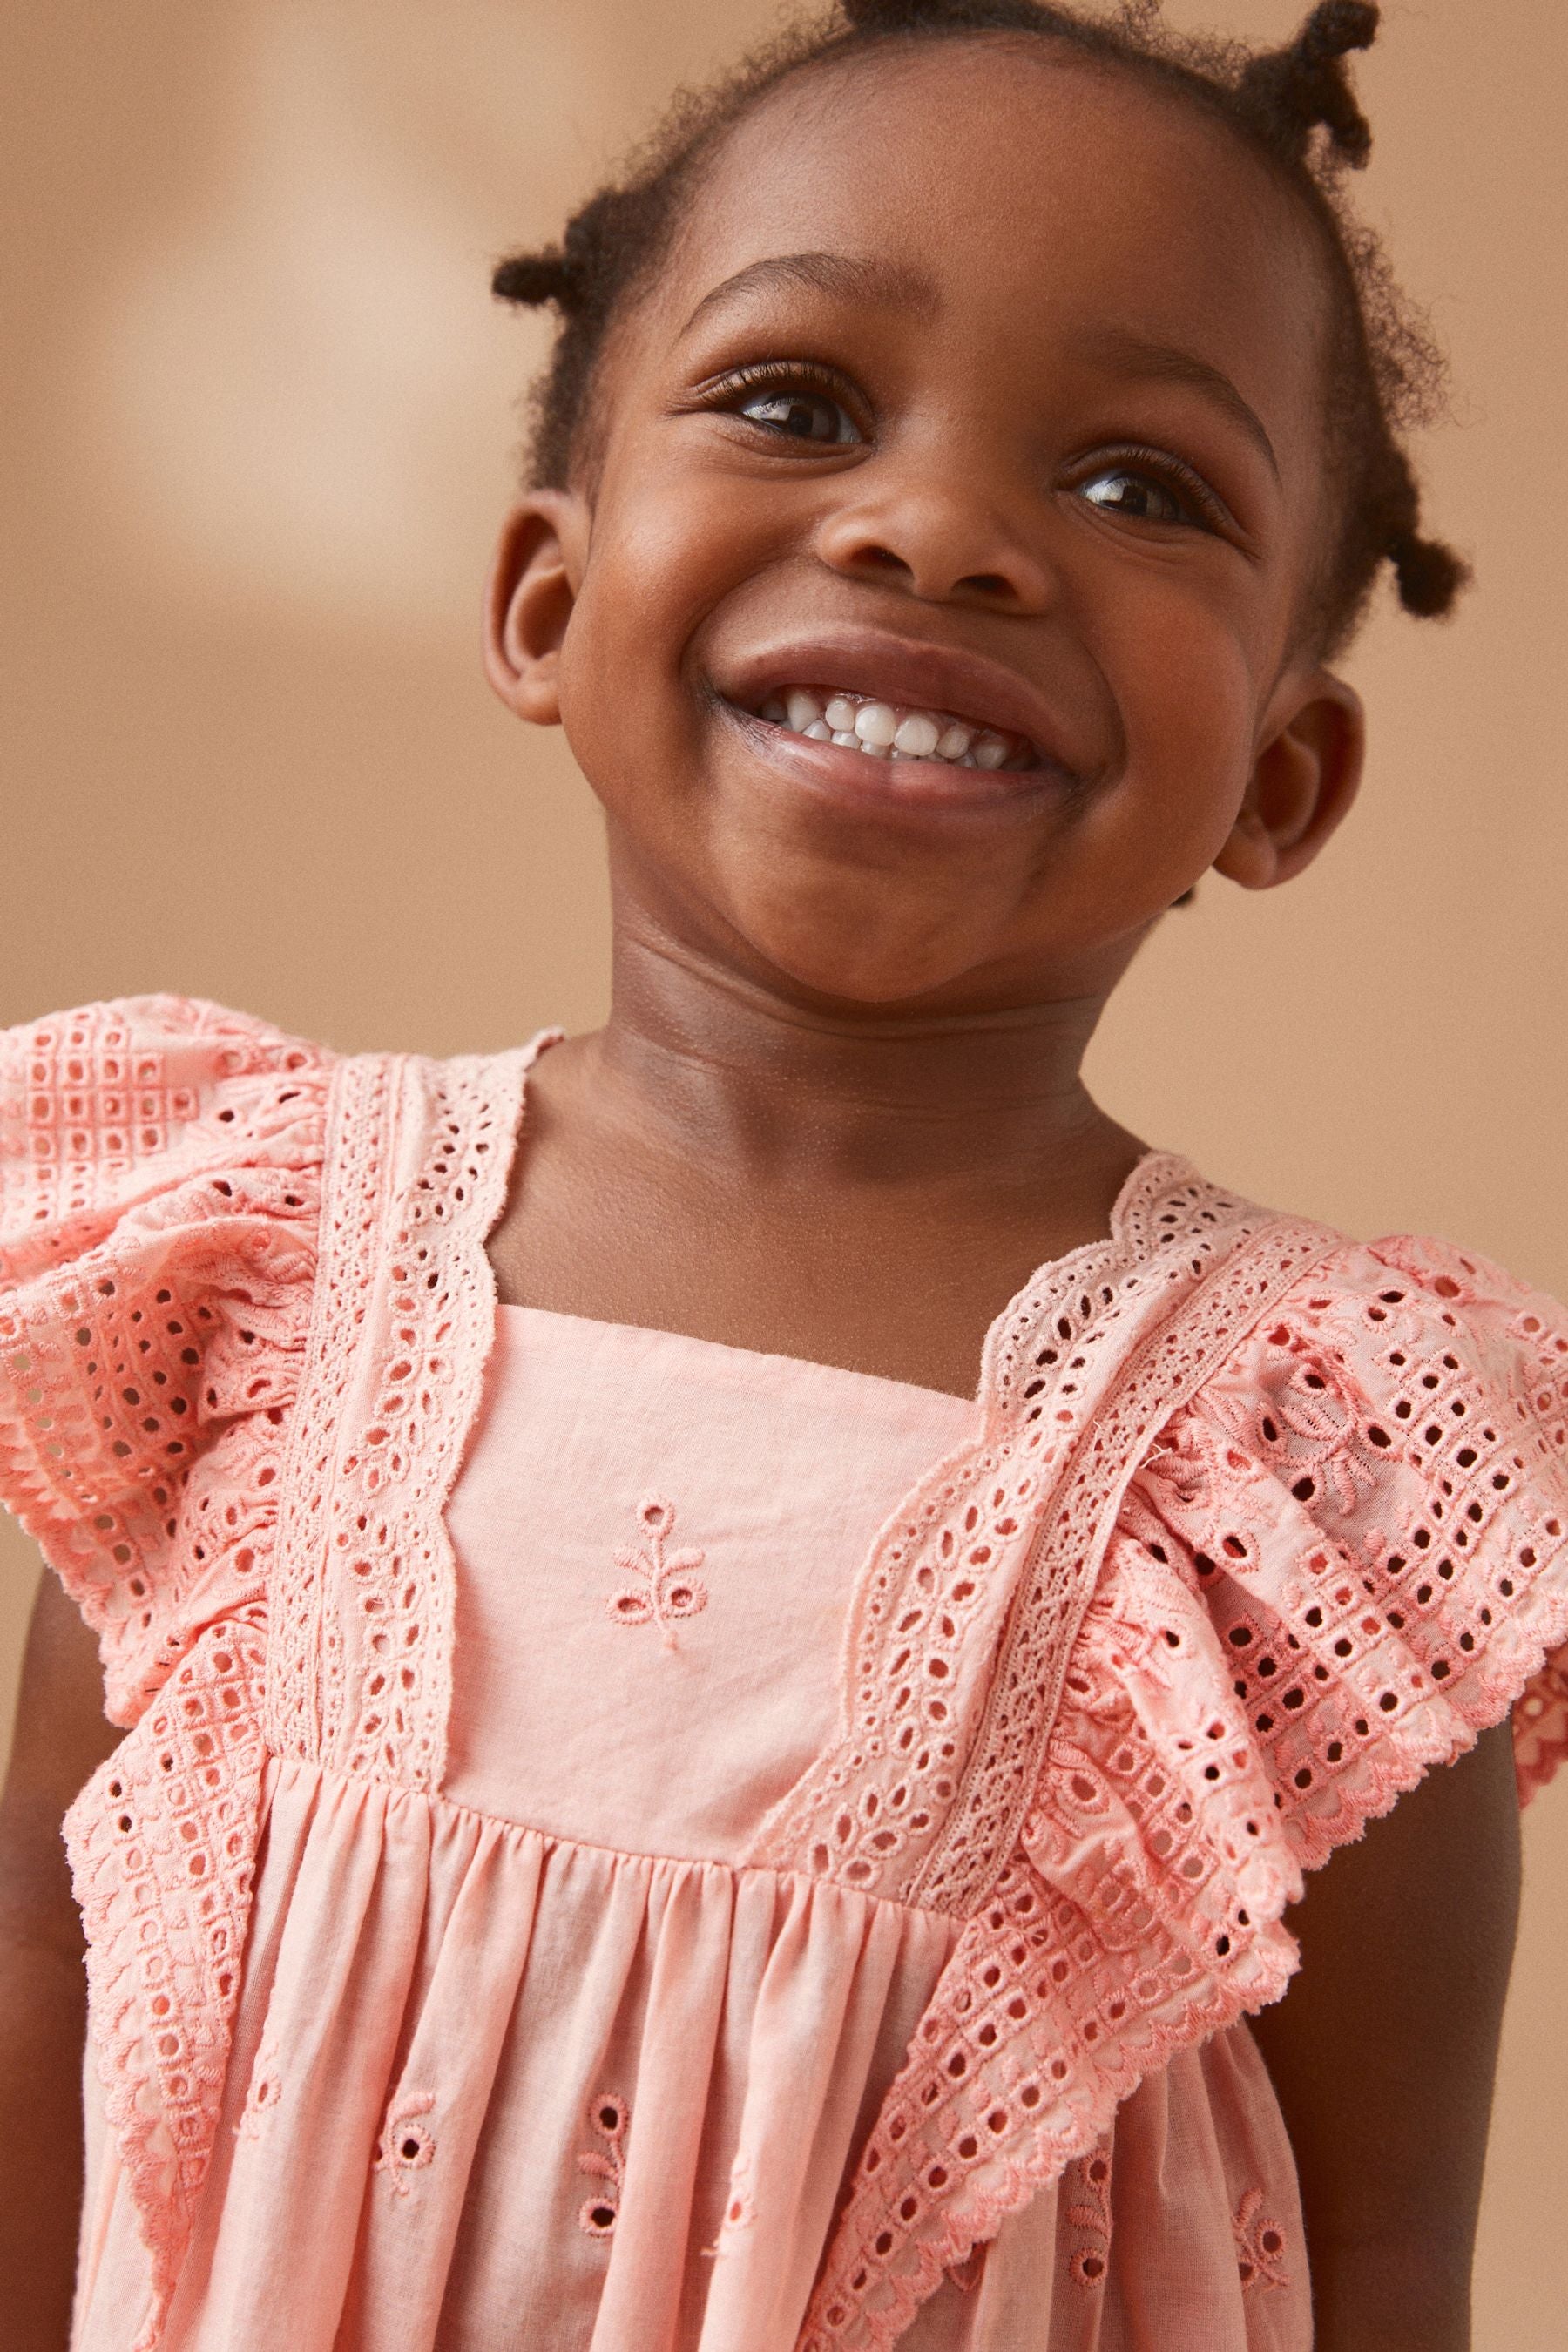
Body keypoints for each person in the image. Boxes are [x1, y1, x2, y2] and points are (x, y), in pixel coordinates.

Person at [2, 3, 1564, 2347]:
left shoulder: (1322, 1476)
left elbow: (1378, 2246)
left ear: (1282, 774)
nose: (939, 530)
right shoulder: (257, 1275)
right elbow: (49, 1976)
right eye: (797, 401)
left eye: (1141, 485)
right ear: (547, 594)